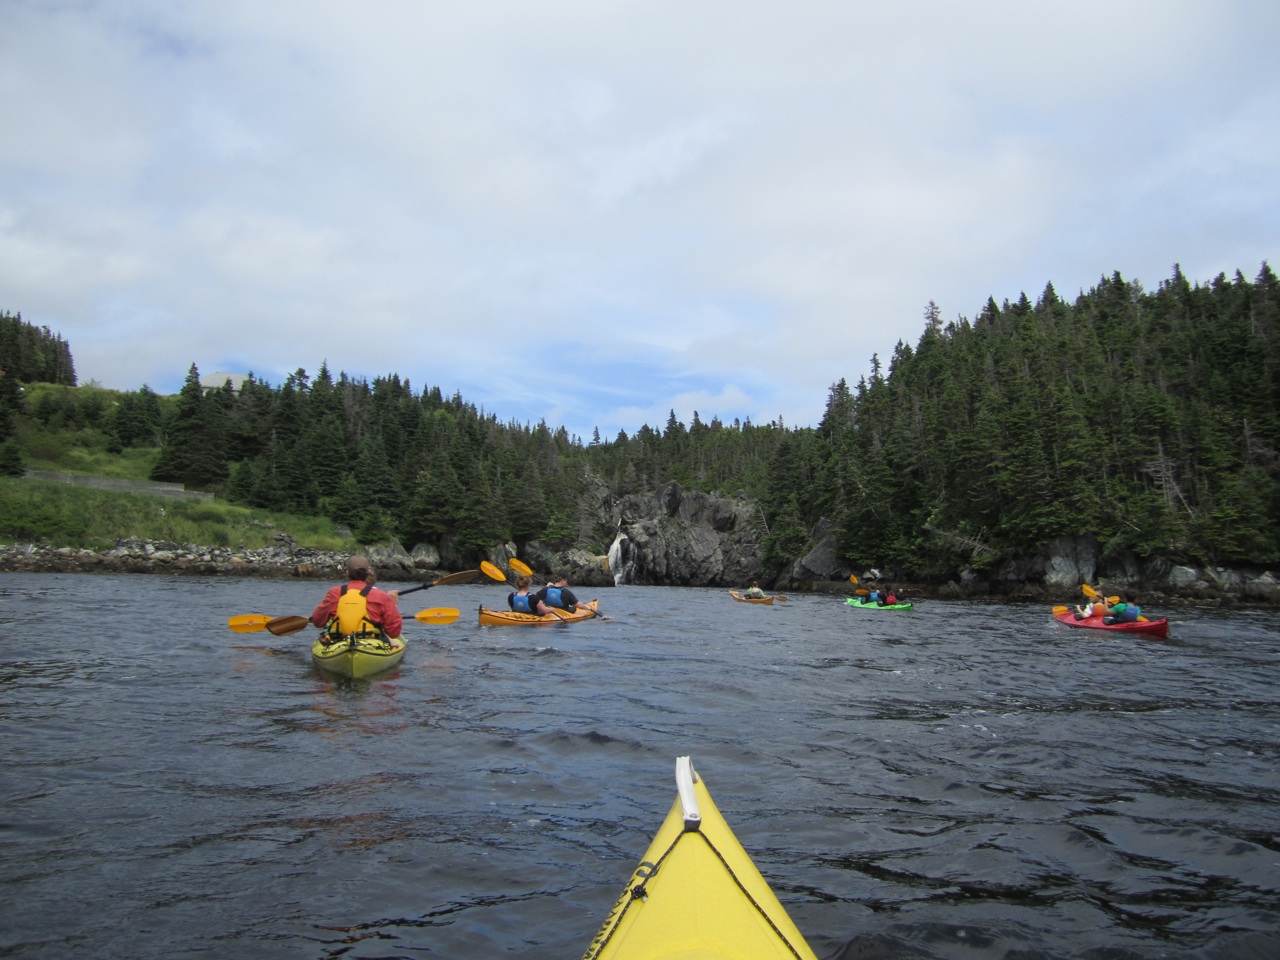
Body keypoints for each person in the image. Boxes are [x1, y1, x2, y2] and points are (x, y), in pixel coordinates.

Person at [310, 554, 403, 641]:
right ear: (368, 573)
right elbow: (394, 633)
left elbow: (318, 622)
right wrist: (393, 605)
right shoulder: (381, 596)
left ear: (347, 573)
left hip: (338, 641)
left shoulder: (334, 593)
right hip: (370, 644)